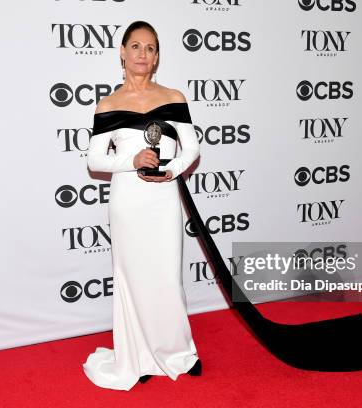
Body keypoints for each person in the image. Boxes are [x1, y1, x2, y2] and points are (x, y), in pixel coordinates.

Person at [82, 21, 202, 391]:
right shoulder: (108, 104)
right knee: (133, 279)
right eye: (135, 46)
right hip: (128, 201)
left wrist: (173, 172)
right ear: (122, 52)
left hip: (163, 198)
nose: (142, 55)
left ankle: (180, 352)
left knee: (166, 275)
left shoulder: (174, 97)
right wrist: (131, 161)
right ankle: (139, 356)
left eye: (150, 48)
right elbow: (95, 161)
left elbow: (192, 148)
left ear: (157, 57)